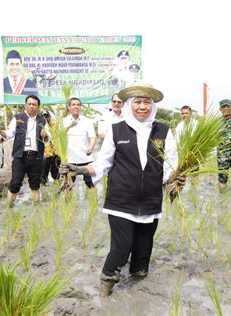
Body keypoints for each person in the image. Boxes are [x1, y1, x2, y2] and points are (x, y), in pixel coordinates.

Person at [59, 82, 182, 297]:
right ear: (129, 105)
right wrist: (79, 170)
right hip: (121, 199)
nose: (142, 107)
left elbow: (171, 163)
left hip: (150, 201)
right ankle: (106, 285)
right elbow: (102, 163)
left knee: (143, 254)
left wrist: (175, 180)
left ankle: (138, 288)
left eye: (147, 102)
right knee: (121, 246)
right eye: (137, 102)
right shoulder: (117, 130)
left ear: (152, 106)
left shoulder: (164, 131)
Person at [0, 95, 48, 204]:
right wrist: (0, 132)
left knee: (35, 184)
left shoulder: (42, 121)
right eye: (29, 104)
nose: (31, 106)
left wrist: (45, 135)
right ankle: (9, 207)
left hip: (36, 157)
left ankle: (36, 208)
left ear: (38, 106)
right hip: (20, 157)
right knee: (15, 183)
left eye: (34, 104)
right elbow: (9, 134)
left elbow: (47, 139)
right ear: (25, 105)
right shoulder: (18, 118)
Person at [63, 97, 96, 190]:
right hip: (70, 160)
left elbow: (93, 137)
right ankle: (68, 204)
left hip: (86, 158)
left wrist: (91, 147)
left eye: (78, 105)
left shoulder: (87, 121)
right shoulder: (64, 121)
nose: (76, 107)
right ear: (68, 107)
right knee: (68, 185)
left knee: (91, 184)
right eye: (73, 105)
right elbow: (60, 136)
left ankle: (94, 204)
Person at [41, 110, 60, 184]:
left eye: (47, 116)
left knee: (55, 172)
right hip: (46, 153)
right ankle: (44, 188)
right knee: (44, 172)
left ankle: (57, 187)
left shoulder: (55, 124)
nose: (45, 118)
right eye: (44, 116)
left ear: (49, 116)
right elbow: (43, 138)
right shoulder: (41, 127)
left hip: (56, 152)